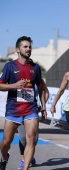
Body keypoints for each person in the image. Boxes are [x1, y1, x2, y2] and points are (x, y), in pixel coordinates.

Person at [0, 36, 47, 170]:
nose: (28, 49)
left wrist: (43, 107)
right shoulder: (10, 66)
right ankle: (4, 158)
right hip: (13, 110)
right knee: (5, 142)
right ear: (18, 49)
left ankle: (25, 168)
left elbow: (41, 88)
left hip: (30, 109)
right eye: (25, 47)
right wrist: (14, 85)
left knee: (31, 139)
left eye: (29, 47)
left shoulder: (35, 68)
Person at [17, 79, 49, 169]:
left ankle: (30, 156)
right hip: (18, 111)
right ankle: (23, 159)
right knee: (23, 137)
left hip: (32, 111)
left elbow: (46, 92)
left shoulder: (36, 77)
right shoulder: (17, 76)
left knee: (33, 138)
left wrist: (43, 107)